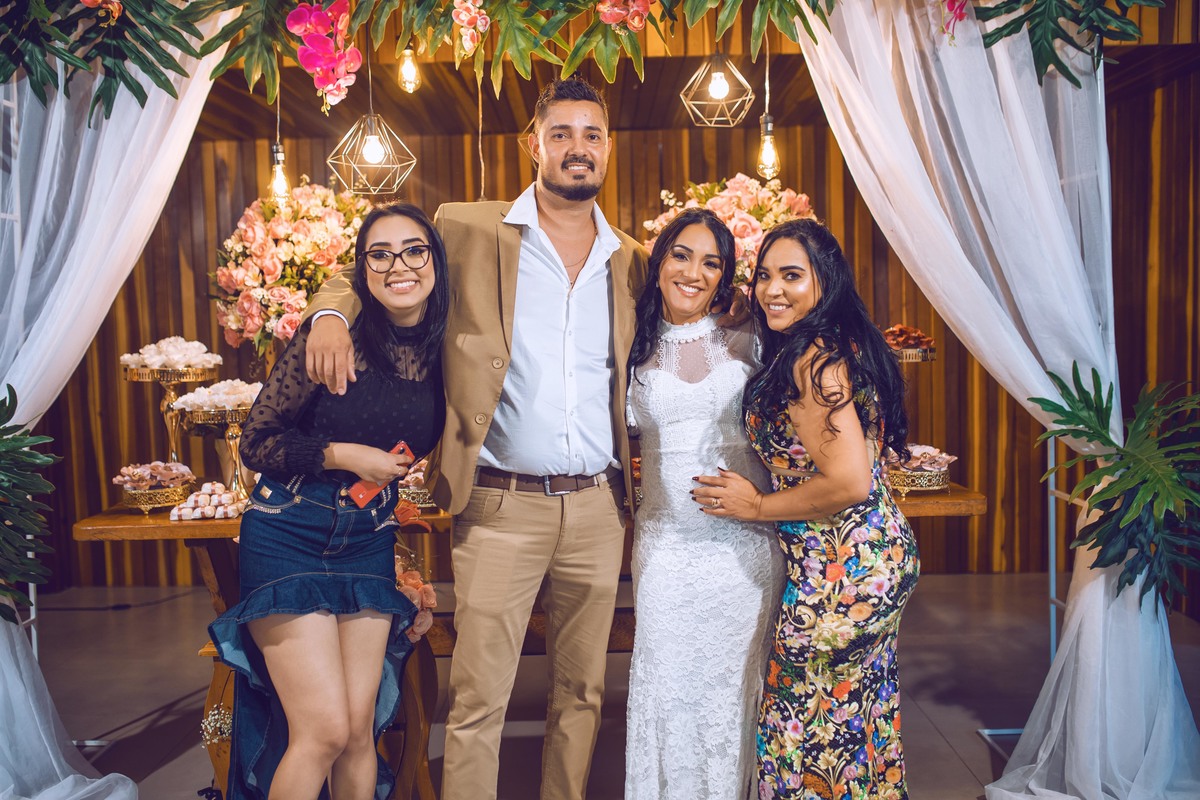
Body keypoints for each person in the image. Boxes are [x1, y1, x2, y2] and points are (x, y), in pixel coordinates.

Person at [303, 78, 648, 800]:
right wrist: (329, 317)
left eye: (591, 135)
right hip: (498, 505)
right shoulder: (466, 228)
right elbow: (363, 268)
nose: (577, 148)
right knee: (478, 699)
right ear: (533, 145)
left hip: (598, 507)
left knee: (583, 693)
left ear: (608, 149)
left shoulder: (630, 259)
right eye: (561, 134)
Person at [207, 202, 449, 800]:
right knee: (322, 731)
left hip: (367, 537)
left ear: (437, 261)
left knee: (361, 733)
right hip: (289, 530)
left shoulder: (447, 346)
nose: (399, 266)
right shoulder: (332, 338)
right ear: (361, 268)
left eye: (414, 250)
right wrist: (345, 455)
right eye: (380, 254)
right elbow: (256, 443)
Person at [692, 218, 919, 800]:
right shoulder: (829, 342)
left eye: (791, 276)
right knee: (853, 724)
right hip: (867, 556)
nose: (773, 290)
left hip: (843, 571)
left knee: (803, 729)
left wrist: (757, 506)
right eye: (764, 276)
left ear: (826, 281)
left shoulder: (813, 362)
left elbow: (849, 481)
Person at [624, 207, 784, 799]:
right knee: (667, 688)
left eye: (711, 263)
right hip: (665, 549)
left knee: (738, 692)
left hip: (745, 550)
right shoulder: (629, 344)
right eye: (682, 255)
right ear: (660, 261)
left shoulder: (755, 339)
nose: (693, 273)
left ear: (725, 276)